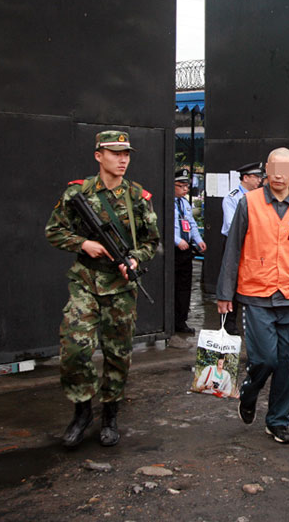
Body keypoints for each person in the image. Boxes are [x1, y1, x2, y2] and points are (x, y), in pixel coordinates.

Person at [45, 130, 160, 448]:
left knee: (118, 355)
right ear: (99, 155)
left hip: (121, 287)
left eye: (126, 154)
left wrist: (135, 259)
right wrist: (84, 243)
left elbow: (152, 240)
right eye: (115, 153)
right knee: (75, 349)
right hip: (85, 282)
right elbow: (53, 231)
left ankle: (110, 415)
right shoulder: (77, 194)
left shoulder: (137, 196)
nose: (123, 159)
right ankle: (81, 412)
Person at [216, 147, 289, 444]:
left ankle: (278, 421)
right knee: (265, 359)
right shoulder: (249, 203)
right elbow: (233, 250)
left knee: (288, 364)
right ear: (266, 169)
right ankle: (250, 391)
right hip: (256, 294)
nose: (279, 174)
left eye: (286, 168)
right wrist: (225, 293)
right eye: (274, 167)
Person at [221, 161, 265, 334]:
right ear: (245, 177)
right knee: (231, 282)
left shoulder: (261, 197)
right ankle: (229, 323)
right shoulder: (232, 198)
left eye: (260, 177)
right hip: (235, 244)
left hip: (255, 246)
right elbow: (232, 226)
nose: (259, 181)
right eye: (256, 177)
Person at [174, 168, 206, 334]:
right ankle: (171, 319)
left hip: (186, 250)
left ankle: (181, 320)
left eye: (187, 186)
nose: (185, 189)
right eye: (181, 186)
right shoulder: (168, 202)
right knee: (173, 285)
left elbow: (191, 224)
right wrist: (177, 240)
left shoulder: (185, 203)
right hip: (173, 250)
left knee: (184, 287)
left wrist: (198, 240)